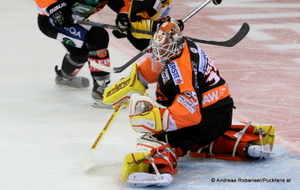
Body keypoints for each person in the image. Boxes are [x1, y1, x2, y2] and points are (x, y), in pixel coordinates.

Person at [102, 21, 275, 187]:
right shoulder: (177, 47)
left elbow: (189, 114)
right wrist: (124, 88)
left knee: (157, 138)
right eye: (158, 47)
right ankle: (236, 141)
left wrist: (153, 118)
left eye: (164, 48)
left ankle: (153, 167)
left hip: (204, 118)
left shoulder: (182, 67)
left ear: (175, 44)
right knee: (192, 135)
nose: (159, 52)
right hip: (220, 113)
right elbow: (151, 68)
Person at [32, 0, 131, 108]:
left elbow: (125, 1)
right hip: (51, 20)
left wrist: (123, 17)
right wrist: (54, 7)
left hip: (76, 20)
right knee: (98, 37)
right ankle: (102, 91)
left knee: (81, 53)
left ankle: (64, 77)